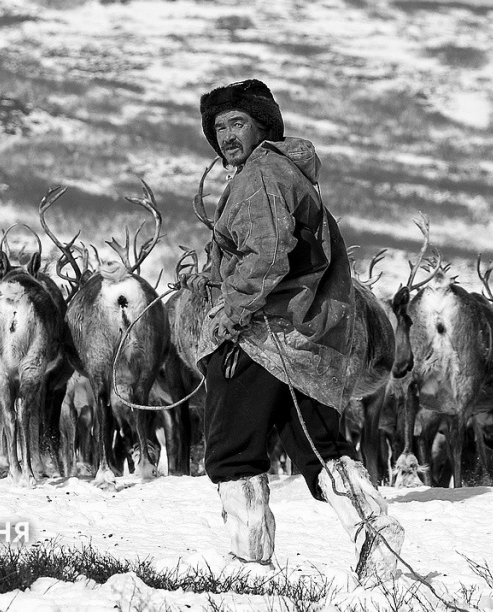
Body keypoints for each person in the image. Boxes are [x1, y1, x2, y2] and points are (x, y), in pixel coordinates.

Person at [181, 78, 404, 584]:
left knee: (233, 450)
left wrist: (232, 310)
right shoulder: (284, 171)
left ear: (263, 125)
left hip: (263, 339)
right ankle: (379, 536)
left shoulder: (260, 175)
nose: (228, 136)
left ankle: (249, 562)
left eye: (238, 123)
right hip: (310, 342)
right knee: (320, 447)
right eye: (219, 128)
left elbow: (266, 255)